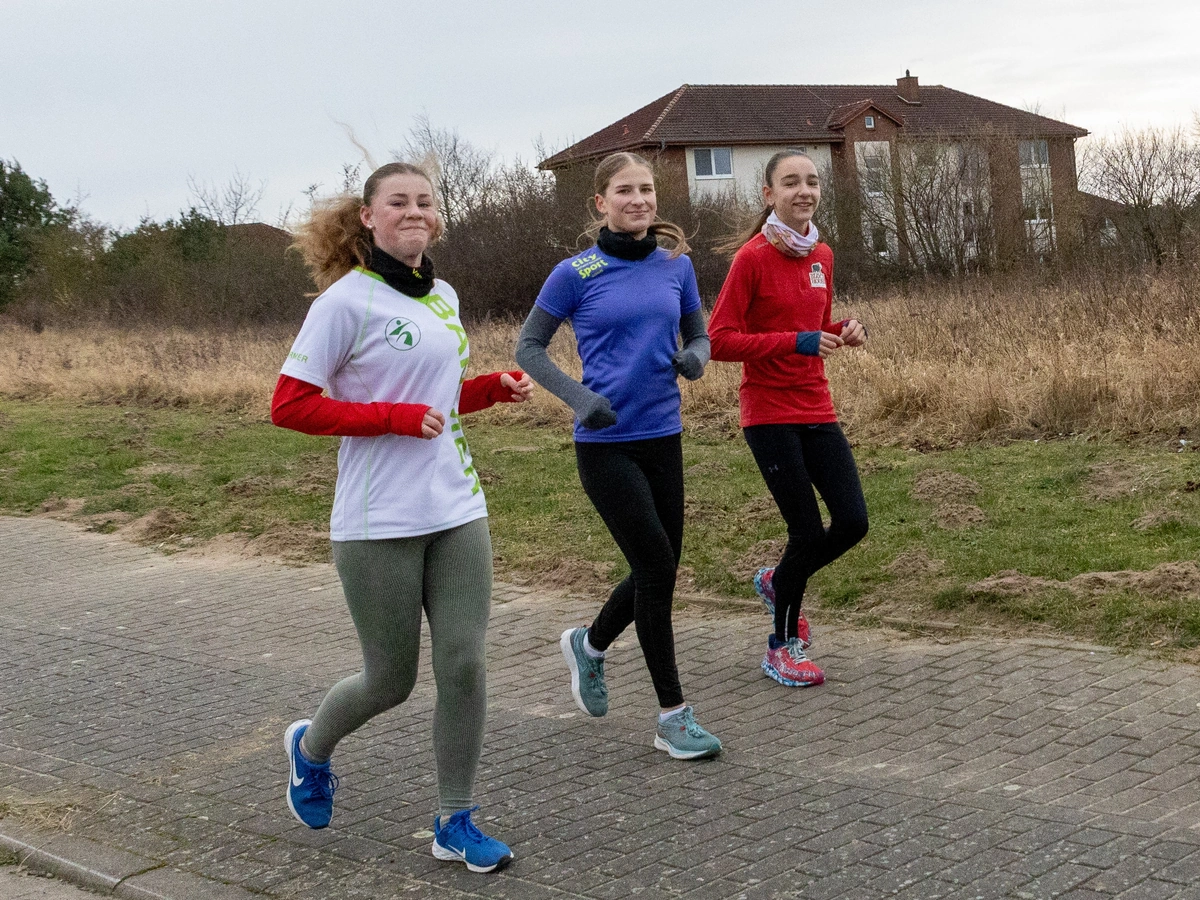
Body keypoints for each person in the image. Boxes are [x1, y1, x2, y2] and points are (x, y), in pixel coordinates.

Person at [272, 162, 533, 874]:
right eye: (399, 202)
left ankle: (456, 818)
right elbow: (289, 404)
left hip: (456, 506)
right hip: (376, 519)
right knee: (391, 680)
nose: (414, 211)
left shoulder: (442, 293)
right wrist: (389, 419)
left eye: (424, 201)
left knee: (466, 665)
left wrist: (489, 390)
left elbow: (437, 399)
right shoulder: (345, 302)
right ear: (369, 216)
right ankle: (311, 748)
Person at [515, 152, 721, 761]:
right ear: (600, 202)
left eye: (647, 190)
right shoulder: (574, 272)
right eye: (625, 190)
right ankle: (672, 717)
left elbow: (700, 333)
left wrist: (696, 358)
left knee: (659, 571)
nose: (639, 199)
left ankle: (590, 643)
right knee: (657, 571)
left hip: (664, 436)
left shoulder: (675, 266)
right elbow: (528, 348)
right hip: (605, 445)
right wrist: (580, 399)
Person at [708, 149, 869, 689]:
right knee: (804, 531)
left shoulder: (821, 252)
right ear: (769, 194)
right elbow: (719, 341)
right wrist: (796, 342)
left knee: (852, 522)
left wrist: (843, 328)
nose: (804, 191)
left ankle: (780, 580)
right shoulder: (752, 258)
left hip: (816, 405)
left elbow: (815, 325)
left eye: (813, 182)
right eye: (791, 182)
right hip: (769, 412)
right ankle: (782, 647)